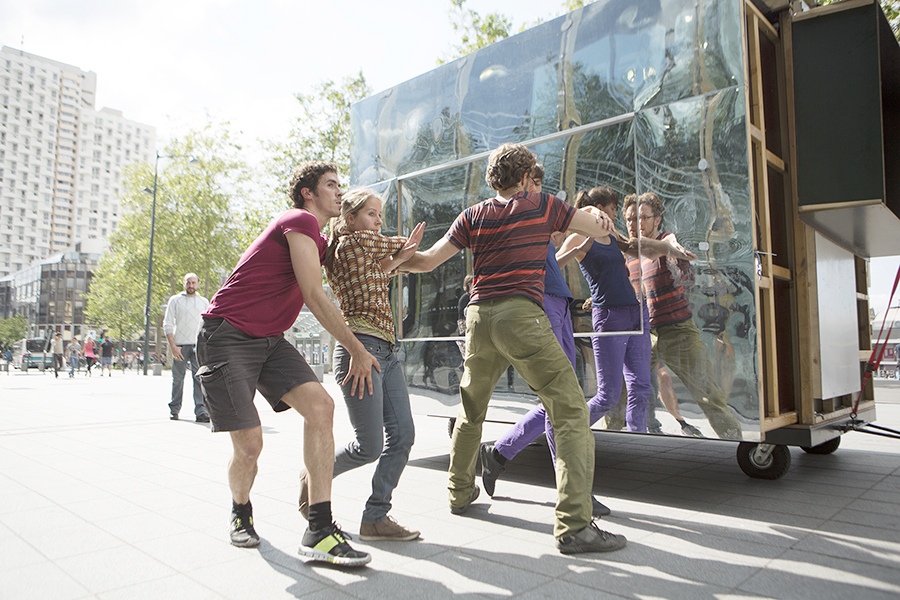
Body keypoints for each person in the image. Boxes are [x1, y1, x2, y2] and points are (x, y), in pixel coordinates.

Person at [401, 142, 627, 555]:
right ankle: (575, 526)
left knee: (471, 409)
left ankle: (459, 492)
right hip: (520, 315)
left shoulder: (472, 215)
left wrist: (396, 257)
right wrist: (599, 217)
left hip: (478, 318)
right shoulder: (542, 204)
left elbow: (427, 261)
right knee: (571, 410)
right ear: (525, 177)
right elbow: (597, 230)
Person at [196, 160, 383, 567]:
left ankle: (319, 530)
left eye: (340, 185)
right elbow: (314, 294)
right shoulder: (298, 220)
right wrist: (355, 348)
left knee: (321, 407)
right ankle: (240, 511)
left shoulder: (319, 240)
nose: (340, 191)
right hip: (228, 335)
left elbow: (359, 272)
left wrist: (405, 253)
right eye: (331, 185)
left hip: (269, 340)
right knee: (250, 446)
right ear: (307, 194)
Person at [302, 187, 424, 542]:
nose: (378, 222)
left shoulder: (360, 255)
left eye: (380, 215)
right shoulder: (354, 243)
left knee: (403, 435)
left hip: (386, 352)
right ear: (350, 218)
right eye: (372, 214)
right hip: (360, 350)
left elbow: (379, 274)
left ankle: (375, 517)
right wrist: (406, 247)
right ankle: (314, 475)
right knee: (368, 446)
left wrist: (397, 259)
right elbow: (395, 244)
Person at [624, 192, 742, 439]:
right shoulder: (629, 255)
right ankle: (608, 439)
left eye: (643, 217)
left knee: (708, 394)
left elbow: (684, 271)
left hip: (678, 331)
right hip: (644, 333)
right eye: (630, 219)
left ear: (657, 219)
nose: (636, 224)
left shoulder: (667, 243)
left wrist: (675, 258)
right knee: (619, 390)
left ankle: (736, 443)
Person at [163, 273, 211, 423]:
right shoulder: (175, 300)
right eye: (188, 282)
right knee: (178, 379)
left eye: (193, 282)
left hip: (198, 346)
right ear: (184, 284)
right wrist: (173, 346)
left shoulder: (204, 302)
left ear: (198, 284)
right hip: (180, 346)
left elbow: (208, 324)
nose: (191, 285)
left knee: (199, 379)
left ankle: (201, 411)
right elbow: (167, 324)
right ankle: (174, 410)